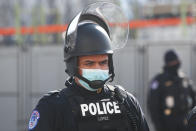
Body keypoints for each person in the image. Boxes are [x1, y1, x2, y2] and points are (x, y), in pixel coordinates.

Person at [28, 2, 149, 131]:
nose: (98, 68)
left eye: (103, 62)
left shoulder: (127, 102)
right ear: (73, 65)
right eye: (89, 63)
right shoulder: (52, 107)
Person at [147, 49, 196, 131]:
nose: (176, 63)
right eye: (174, 61)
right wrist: (159, 127)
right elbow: (153, 107)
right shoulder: (159, 81)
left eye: (177, 61)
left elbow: (194, 101)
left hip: (186, 125)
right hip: (167, 125)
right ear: (168, 62)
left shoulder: (184, 79)